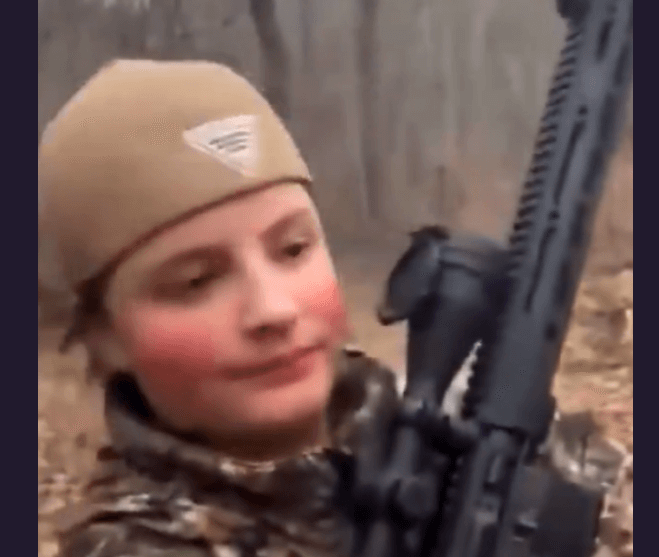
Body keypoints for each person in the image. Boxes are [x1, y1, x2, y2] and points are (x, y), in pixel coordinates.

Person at [40, 59, 623, 556]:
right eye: (195, 282)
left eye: (293, 249)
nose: (273, 309)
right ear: (104, 336)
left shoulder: (431, 430)